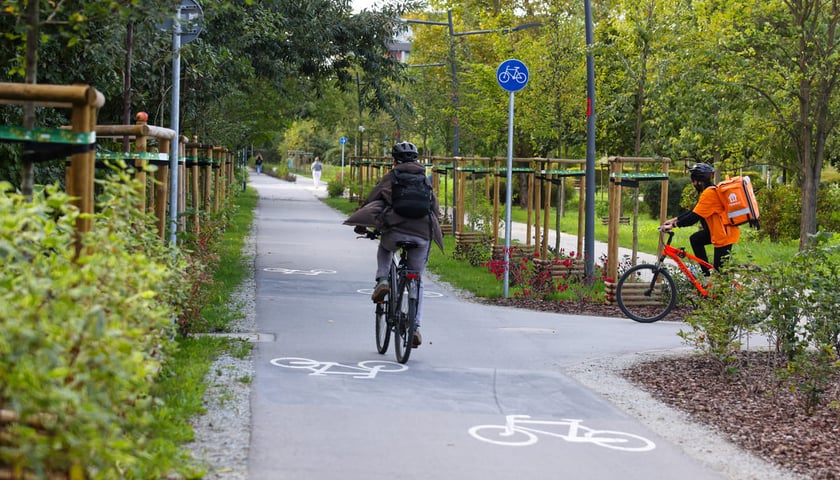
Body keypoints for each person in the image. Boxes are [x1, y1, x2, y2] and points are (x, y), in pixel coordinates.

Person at [344, 141, 443, 347]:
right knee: (418, 279)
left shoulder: (391, 177)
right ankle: (415, 327)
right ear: (417, 160)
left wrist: (362, 225)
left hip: (395, 230)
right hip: (422, 234)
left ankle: (383, 280)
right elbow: (434, 209)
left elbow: (373, 199)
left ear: (393, 160)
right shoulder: (425, 180)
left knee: (385, 248)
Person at [661, 162, 740, 280]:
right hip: (718, 232)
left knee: (720, 276)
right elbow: (695, 211)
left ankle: (717, 292)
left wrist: (674, 225)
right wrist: (674, 220)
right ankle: (706, 276)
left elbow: (693, 217)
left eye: (693, 181)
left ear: (698, 181)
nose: (693, 184)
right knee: (696, 239)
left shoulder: (709, 193)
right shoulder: (709, 191)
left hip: (724, 235)